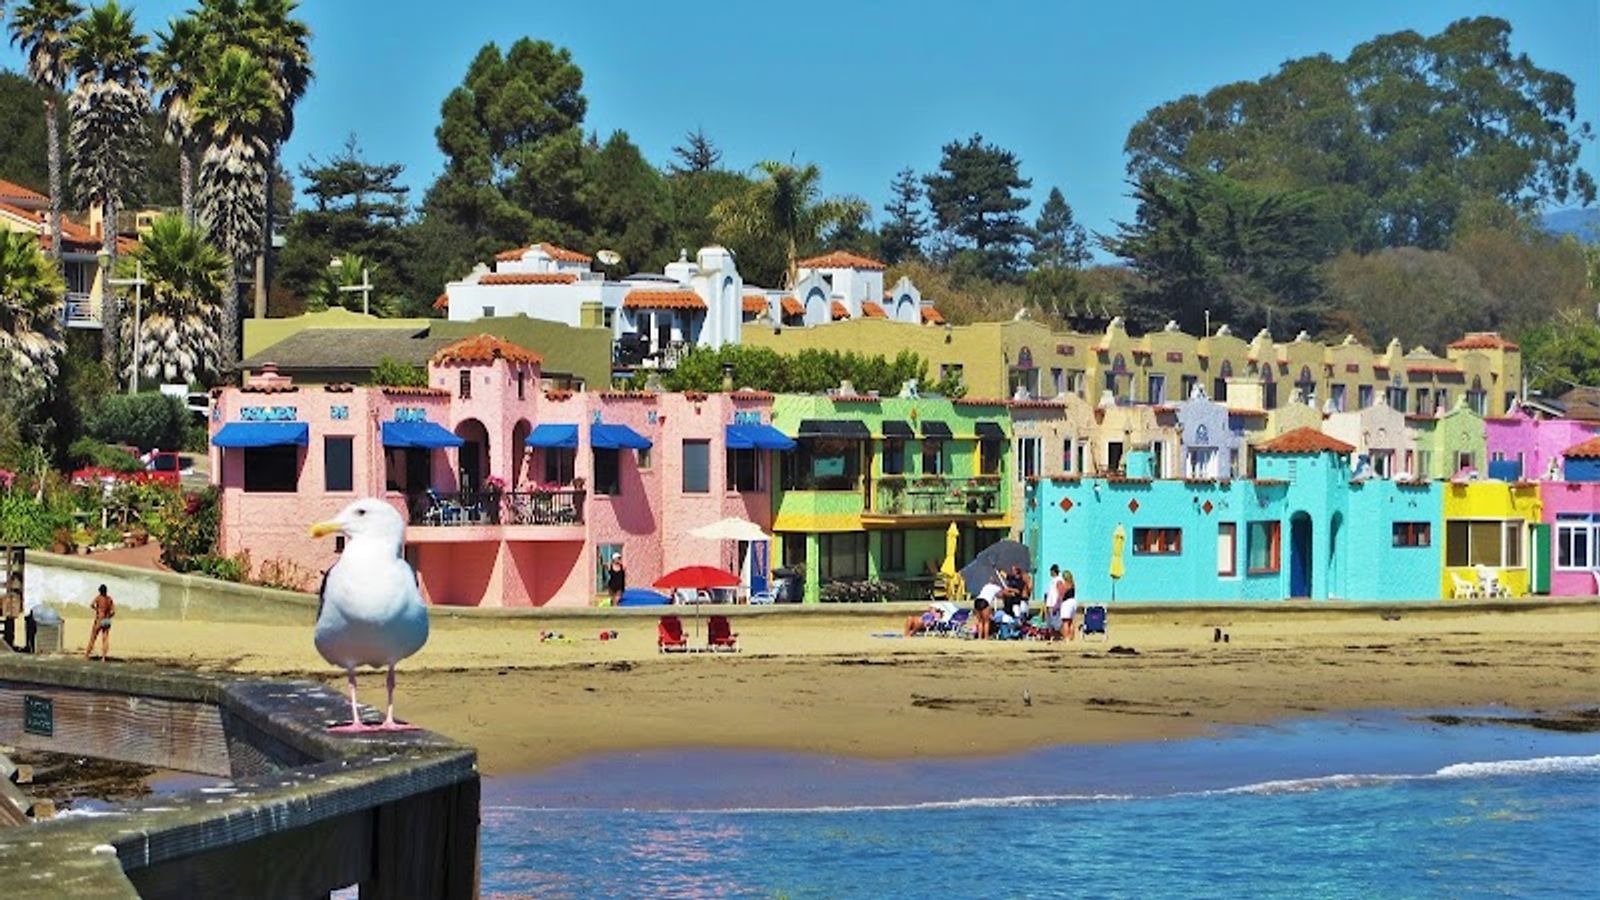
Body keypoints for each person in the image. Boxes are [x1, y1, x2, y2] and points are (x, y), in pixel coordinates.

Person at [86, 584, 114, 661]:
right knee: (105, 639)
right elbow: (113, 612)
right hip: (107, 620)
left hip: (99, 619)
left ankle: (87, 654)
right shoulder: (109, 599)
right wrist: (108, 617)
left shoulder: (98, 598)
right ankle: (103, 657)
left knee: (93, 637)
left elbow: (91, 605)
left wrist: (97, 610)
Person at [1045, 564, 1067, 639]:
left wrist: (1057, 604)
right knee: (1051, 623)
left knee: (1057, 623)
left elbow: (1061, 593)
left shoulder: (1059, 580)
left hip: (1055, 605)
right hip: (1050, 604)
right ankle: (1053, 637)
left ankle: (1062, 636)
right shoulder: (1052, 580)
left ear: (1054, 572)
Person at [1059, 569, 1079, 641]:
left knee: (1065, 621)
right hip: (1073, 601)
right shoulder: (1073, 583)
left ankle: (1066, 637)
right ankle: (1071, 637)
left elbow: (1062, 594)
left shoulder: (1065, 584)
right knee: (1071, 621)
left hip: (1067, 603)